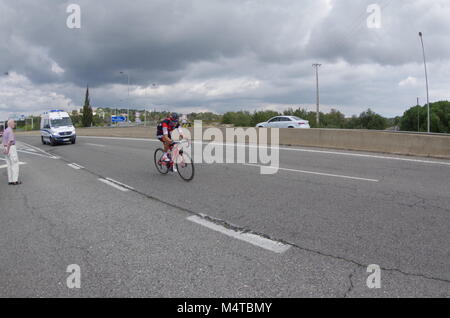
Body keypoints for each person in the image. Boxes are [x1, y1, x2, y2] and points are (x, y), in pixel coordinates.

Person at [3, 119, 21, 185]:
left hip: (6, 147)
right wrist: (8, 150)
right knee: (15, 164)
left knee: (9, 165)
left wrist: (5, 149)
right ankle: (15, 181)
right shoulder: (10, 130)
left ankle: (10, 180)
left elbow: (4, 141)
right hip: (11, 148)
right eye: (13, 123)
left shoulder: (5, 130)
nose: (14, 124)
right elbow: (10, 141)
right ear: (10, 123)